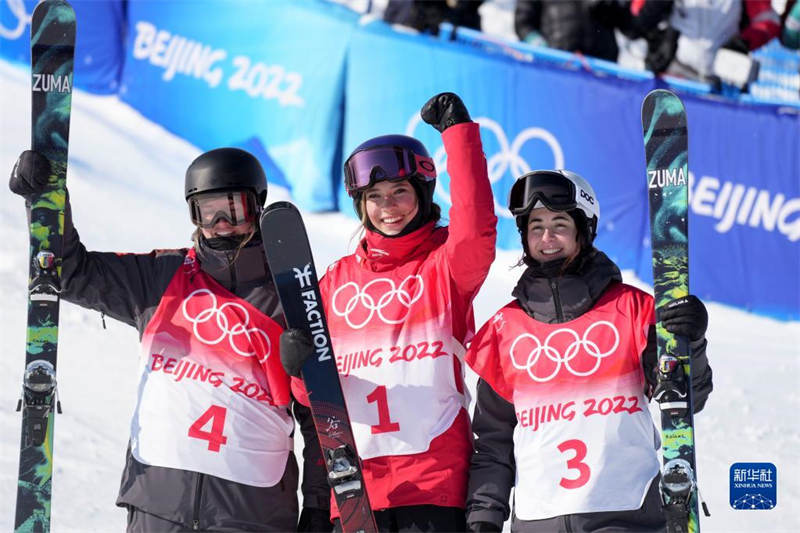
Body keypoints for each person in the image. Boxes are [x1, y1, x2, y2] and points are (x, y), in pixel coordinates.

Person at [9, 148, 331, 532]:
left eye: (234, 208)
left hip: (252, 513)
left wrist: (319, 506)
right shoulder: (161, 277)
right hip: (158, 503)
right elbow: (71, 273)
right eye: (208, 211)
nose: (222, 223)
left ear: (257, 207)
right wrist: (46, 201)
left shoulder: (292, 299)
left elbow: (321, 418)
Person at [280, 92, 497, 531]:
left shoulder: (445, 267)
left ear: (422, 193)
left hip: (434, 485)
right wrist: (298, 372)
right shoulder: (335, 283)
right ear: (361, 205)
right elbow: (315, 397)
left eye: (400, 192)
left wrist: (458, 136)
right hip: (356, 492)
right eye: (375, 196)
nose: (388, 207)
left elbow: (476, 229)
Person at [464, 170, 713, 532]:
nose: (546, 238)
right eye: (536, 226)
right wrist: (483, 517)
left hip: (626, 517)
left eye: (560, 224)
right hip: (536, 522)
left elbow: (688, 398)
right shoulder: (505, 329)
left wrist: (692, 343)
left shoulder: (633, 311)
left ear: (585, 228)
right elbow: (492, 443)